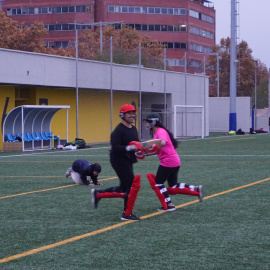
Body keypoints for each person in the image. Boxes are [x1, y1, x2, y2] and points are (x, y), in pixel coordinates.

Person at [91, 104, 142, 221]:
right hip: (119, 160)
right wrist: (129, 148)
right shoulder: (118, 130)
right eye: (128, 113)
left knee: (124, 187)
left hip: (128, 159)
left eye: (133, 113)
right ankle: (126, 214)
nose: (132, 115)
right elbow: (115, 147)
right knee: (131, 185)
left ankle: (98, 194)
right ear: (122, 115)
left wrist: (140, 151)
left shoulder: (133, 128)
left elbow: (136, 144)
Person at [144, 112, 203, 212]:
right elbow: (160, 148)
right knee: (173, 185)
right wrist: (148, 154)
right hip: (174, 160)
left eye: (148, 122)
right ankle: (196, 188)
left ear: (154, 122)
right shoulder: (159, 132)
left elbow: (162, 143)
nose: (147, 124)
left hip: (169, 161)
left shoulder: (160, 132)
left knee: (158, 183)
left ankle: (169, 205)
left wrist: (149, 146)